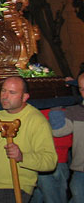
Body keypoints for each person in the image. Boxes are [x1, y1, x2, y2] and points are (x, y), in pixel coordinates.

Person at [0, 76, 57, 202]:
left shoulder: (36, 120)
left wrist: (22, 157)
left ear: (25, 97)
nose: (5, 96)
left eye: (12, 92)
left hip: (16, 187)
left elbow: (50, 161)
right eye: (3, 91)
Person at [48, 70, 84, 202]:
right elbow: (58, 131)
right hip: (80, 172)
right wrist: (57, 103)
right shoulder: (75, 111)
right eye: (81, 89)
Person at [29, 108, 72, 203]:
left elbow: (66, 141)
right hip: (35, 163)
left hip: (55, 163)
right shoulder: (32, 111)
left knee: (53, 199)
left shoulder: (61, 110)